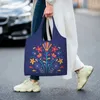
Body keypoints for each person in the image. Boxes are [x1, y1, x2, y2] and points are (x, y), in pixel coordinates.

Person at [14, 0, 94, 92]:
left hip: (47, 2)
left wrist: (49, 3)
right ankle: (80, 69)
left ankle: (33, 81)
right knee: (51, 37)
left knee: (37, 36)